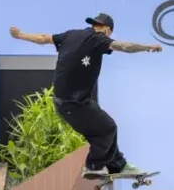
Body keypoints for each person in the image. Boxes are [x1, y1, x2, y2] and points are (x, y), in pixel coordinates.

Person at [9, 13, 162, 178]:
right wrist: (147, 47)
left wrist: (20, 35)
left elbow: (43, 38)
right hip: (74, 105)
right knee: (108, 128)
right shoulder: (99, 39)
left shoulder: (71, 34)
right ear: (107, 30)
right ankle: (93, 166)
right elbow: (124, 46)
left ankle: (118, 165)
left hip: (71, 102)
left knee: (105, 127)